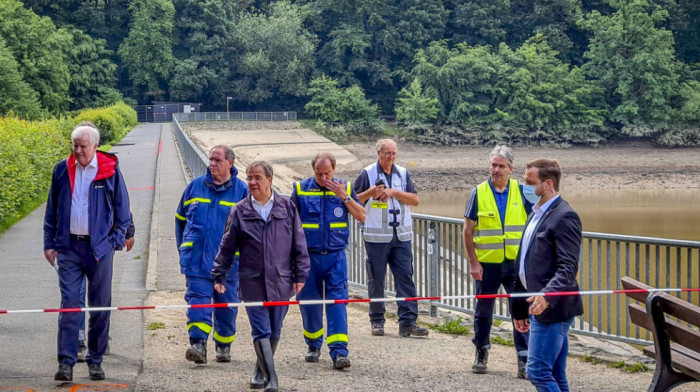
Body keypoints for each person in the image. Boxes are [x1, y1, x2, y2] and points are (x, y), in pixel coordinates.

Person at [43, 121, 131, 382]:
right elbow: (52, 209)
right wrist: (49, 243)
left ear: (95, 146)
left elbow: (123, 212)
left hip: (99, 250)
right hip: (69, 247)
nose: (78, 151)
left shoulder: (109, 170)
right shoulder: (62, 169)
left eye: (83, 146)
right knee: (70, 305)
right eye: (75, 145)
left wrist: (113, 242)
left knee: (100, 306)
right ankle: (66, 362)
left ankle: (95, 359)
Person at [212, 161, 310, 392]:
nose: (252, 182)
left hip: (282, 279)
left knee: (275, 330)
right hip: (252, 280)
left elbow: (299, 243)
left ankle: (259, 372)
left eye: (257, 177)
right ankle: (272, 379)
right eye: (249, 178)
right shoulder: (239, 210)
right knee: (261, 330)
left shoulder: (287, 207)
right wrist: (219, 274)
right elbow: (226, 247)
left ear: (270, 179)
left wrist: (301, 274)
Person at [513, 158, 584, 392]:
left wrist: (546, 296)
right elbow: (524, 262)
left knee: (538, 372)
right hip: (535, 305)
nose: (525, 188)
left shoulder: (565, 216)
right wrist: (519, 309)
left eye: (530, 182)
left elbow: (568, 268)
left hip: (553, 308)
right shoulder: (535, 213)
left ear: (548, 184)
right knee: (554, 373)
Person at [291, 152, 366, 369]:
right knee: (309, 304)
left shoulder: (347, 188)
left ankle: (339, 352)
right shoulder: (300, 190)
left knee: (338, 304)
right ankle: (313, 345)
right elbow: (288, 223)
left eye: (327, 173)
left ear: (334, 170)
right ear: (313, 170)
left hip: (336, 258)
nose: (323, 178)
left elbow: (362, 216)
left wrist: (345, 196)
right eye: (319, 173)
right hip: (308, 259)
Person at [462, 145, 531, 377]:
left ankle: (524, 358)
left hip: (515, 265)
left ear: (511, 169)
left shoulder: (522, 191)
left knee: (520, 311)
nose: (496, 169)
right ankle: (481, 351)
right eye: (493, 165)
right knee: (483, 312)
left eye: (501, 166)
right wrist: (473, 262)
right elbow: (467, 231)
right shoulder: (478, 192)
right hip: (487, 265)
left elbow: (536, 223)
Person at [176, 145, 248, 364]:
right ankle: (197, 344)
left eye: (217, 160)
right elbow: (180, 220)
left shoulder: (242, 191)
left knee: (226, 305)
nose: (212, 164)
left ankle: (223, 345)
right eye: (211, 160)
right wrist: (184, 248)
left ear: (230, 163)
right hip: (196, 260)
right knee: (198, 301)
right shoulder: (194, 187)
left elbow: (250, 230)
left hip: (228, 264)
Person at [354, 139, 428, 338]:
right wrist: (371, 192)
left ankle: (408, 322)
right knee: (376, 280)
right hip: (376, 237)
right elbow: (352, 200)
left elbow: (415, 200)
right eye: (387, 153)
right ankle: (377, 321)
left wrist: (394, 192)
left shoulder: (403, 173)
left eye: (394, 153)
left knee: (406, 278)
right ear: (379, 153)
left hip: (401, 236)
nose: (391, 157)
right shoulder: (367, 173)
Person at [76, 214, 135, 362]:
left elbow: (120, 204)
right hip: (74, 245)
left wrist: (129, 232)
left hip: (101, 245)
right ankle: (77, 340)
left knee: (100, 294)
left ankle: (100, 338)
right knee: (77, 292)